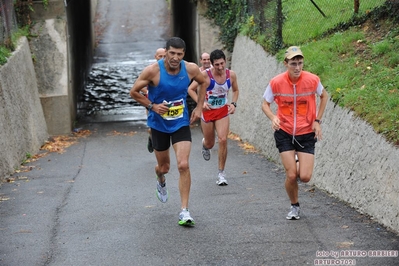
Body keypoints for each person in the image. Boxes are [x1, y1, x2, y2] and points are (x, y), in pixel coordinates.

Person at [130, 37, 207, 226]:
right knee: (164, 167)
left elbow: (203, 82)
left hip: (180, 122)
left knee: (183, 165)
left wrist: (198, 108)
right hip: (158, 124)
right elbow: (133, 92)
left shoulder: (190, 69)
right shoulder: (153, 71)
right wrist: (152, 106)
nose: (175, 57)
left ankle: (184, 211)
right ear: (166, 52)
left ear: (184, 55)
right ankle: (160, 178)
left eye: (179, 54)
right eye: (172, 53)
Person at [261, 46, 328, 220]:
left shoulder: (312, 80)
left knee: (304, 177)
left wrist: (317, 121)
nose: (297, 67)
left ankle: (296, 160)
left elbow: (324, 96)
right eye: (293, 64)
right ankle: (294, 205)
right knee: (291, 175)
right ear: (286, 64)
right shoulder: (276, 82)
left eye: (300, 63)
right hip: (285, 132)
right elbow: (264, 104)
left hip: (306, 133)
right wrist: (273, 117)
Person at [188, 49, 239, 186]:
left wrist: (233, 103)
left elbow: (235, 90)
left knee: (222, 139)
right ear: (212, 64)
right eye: (217, 65)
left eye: (222, 63)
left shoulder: (231, 75)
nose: (220, 67)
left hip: (222, 110)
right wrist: (201, 103)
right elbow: (190, 89)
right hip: (208, 111)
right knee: (211, 143)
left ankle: (221, 174)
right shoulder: (204, 75)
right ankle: (205, 145)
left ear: (225, 61)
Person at [142, 48, 166, 153]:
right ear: (155, 57)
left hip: (165, 101)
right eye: (159, 56)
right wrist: (147, 92)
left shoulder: (171, 69)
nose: (162, 58)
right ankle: (152, 138)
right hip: (151, 102)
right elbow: (138, 86)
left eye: (164, 56)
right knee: (153, 125)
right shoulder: (150, 70)